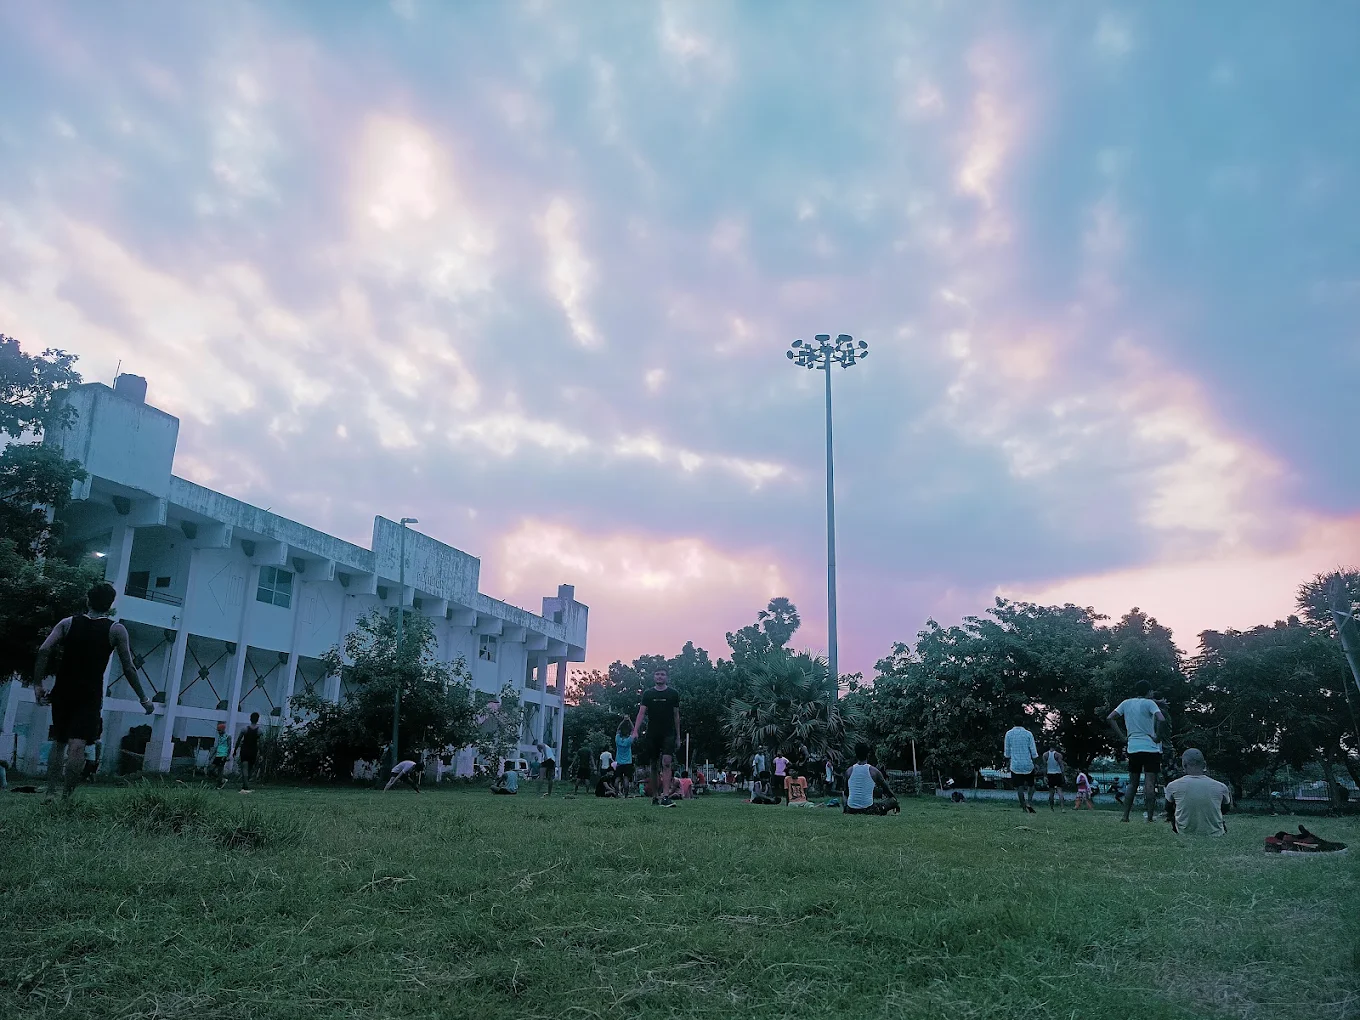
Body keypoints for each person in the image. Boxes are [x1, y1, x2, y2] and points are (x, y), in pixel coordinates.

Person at [32, 581, 155, 800]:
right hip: (89, 695)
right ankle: (66, 798)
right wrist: (143, 698)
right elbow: (128, 667)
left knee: (59, 742)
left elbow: (43, 650)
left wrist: (38, 684)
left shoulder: (68, 623)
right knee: (77, 746)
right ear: (110, 605)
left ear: (87, 600)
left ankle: (50, 793)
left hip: (63, 691)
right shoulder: (116, 629)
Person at [1107, 680, 1169, 823]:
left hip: (1133, 747)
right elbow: (1161, 719)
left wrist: (1123, 736)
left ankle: (1125, 816)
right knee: (1149, 782)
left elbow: (1110, 718)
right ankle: (1150, 817)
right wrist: (1158, 737)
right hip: (1150, 747)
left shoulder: (1126, 703)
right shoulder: (1149, 704)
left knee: (1132, 783)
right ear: (1148, 692)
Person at [634, 667, 681, 807]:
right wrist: (635, 730)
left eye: (662, 674)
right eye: (657, 674)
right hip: (652, 733)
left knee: (666, 762)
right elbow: (641, 713)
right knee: (653, 765)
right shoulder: (648, 694)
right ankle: (655, 796)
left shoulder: (673, 693)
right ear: (654, 677)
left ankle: (666, 796)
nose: (660, 677)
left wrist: (678, 736)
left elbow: (676, 715)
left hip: (668, 733)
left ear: (667, 677)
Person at [1165, 748, 1231, 835]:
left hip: (1183, 832)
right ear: (1204, 765)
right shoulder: (1221, 787)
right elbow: (1225, 809)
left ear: (1184, 765)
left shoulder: (1173, 786)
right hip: (1215, 833)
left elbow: (1168, 809)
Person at [843, 744, 899, 815]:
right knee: (892, 801)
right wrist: (894, 800)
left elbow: (846, 792)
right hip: (868, 809)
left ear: (855, 754)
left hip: (851, 809)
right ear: (868, 755)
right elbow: (887, 790)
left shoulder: (849, 771)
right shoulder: (874, 771)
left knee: (843, 793)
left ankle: (845, 810)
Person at [1003, 716, 1039, 814]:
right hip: (1027, 764)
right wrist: (1035, 763)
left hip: (1015, 765)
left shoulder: (1009, 734)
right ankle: (1029, 802)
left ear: (1013, 723)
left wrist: (1008, 761)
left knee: (1020, 787)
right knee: (1031, 785)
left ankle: (1023, 807)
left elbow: (1007, 752)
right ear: (1023, 722)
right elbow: (1033, 751)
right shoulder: (1028, 734)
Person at [234, 711, 263, 793]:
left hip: (245, 750)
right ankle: (246, 785)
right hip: (253, 751)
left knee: (244, 768)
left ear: (250, 719)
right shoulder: (259, 731)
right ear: (257, 720)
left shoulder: (244, 729)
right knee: (250, 768)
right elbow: (261, 743)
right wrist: (261, 754)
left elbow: (238, 740)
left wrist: (235, 750)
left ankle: (245, 785)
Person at [614, 718, 635, 798]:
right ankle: (626, 795)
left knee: (617, 779)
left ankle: (616, 793)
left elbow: (618, 729)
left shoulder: (618, 740)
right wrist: (629, 720)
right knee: (626, 778)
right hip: (628, 762)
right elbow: (634, 730)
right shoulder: (628, 741)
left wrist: (623, 720)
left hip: (619, 762)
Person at [211, 721, 232, 789]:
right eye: (218, 731)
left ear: (223, 729)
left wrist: (227, 756)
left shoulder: (228, 736)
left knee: (220, 770)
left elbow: (229, 747)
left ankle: (219, 784)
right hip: (218, 755)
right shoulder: (220, 737)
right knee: (211, 769)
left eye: (219, 730)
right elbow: (218, 746)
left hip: (223, 755)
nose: (218, 732)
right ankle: (222, 780)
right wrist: (212, 754)